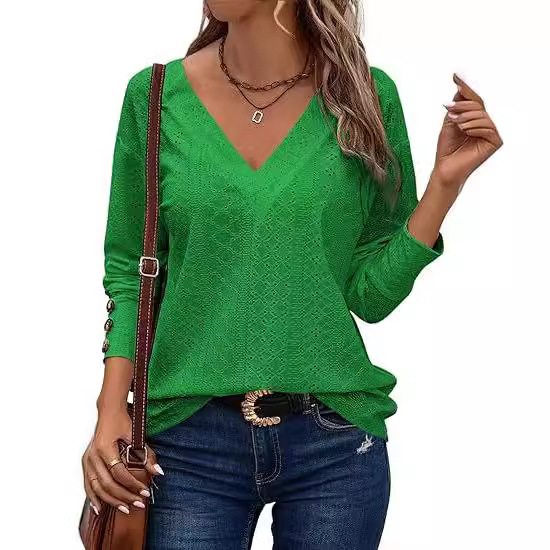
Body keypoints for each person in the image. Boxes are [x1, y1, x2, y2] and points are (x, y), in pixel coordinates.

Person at [81, 1, 503, 548]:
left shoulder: (366, 98)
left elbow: (371, 295)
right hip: (187, 444)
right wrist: (110, 408)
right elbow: (129, 271)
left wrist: (444, 187)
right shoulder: (156, 97)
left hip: (334, 445)